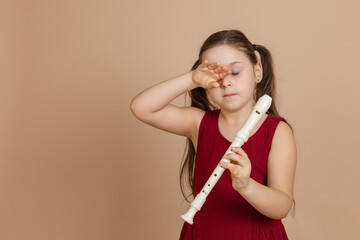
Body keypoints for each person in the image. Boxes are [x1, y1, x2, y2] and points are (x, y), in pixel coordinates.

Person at [130, 29, 297, 240]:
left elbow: (282, 206)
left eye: (235, 72)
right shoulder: (199, 123)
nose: (226, 82)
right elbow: (141, 107)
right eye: (217, 77)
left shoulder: (277, 132)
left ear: (257, 71)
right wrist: (192, 78)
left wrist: (247, 185)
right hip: (204, 234)